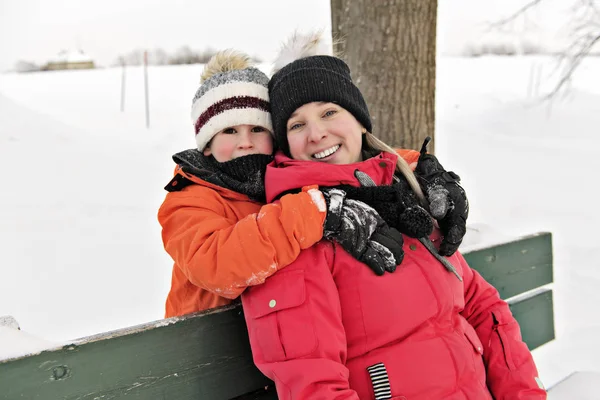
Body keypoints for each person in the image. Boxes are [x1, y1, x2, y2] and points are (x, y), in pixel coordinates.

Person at [241, 32, 546, 400]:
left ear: (359, 120)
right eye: (297, 124)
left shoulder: (403, 195)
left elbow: (483, 307)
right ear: (285, 143)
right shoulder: (295, 234)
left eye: (329, 112)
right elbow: (314, 386)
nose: (317, 133)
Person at [157, 50, 405, 317]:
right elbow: (215, 266)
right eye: (229, 131)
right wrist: (316, 212)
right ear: (207, 145)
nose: (245, 142)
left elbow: (349, 165)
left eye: (257, 129)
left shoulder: (279, 172)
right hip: (203, 347)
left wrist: (414, 167)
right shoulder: (189, 197)